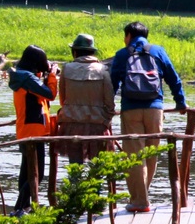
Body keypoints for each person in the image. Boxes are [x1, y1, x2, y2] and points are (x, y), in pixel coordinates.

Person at [110, 21, 186, 213]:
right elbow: (173, 78)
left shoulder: (122, 54)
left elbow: (112, 84)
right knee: (151, 154)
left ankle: (139, 200)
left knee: (134, 156)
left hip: (131, 110)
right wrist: (181, 103)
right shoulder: (158, 51)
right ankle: (142, 195)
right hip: (155, 110)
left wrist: (107, 108)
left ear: (128, 35)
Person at [7, 43, 57, 211]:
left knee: (26, 172)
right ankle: (20, 207)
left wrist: (43, 75)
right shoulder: (28, 79)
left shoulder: (22, 76)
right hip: (34, 131)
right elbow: (50, 94)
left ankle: (22, 208)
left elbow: (40, 96)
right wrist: (52, 76)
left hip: (26, 129)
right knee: (37, 173)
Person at [55, 33, 115, 164]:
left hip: (71, 124)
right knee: (97, 167)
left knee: (75, 166)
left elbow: (63, 99)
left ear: (75, 52)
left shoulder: (66, 69)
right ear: (92, 53)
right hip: (97, 124)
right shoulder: (103, 70)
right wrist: (106, 119)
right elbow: (109, 102)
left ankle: (75, 184)